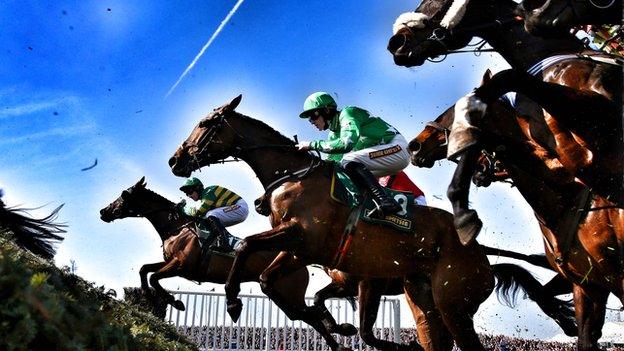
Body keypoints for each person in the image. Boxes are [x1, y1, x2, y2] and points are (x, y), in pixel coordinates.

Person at [296, 92, 410, 215]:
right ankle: (366, 208)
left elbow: (346, 143)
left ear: (326, 110)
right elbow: (330, 164)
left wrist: (312, 145)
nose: (311, 121)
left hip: (398, 148)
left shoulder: (348, 113)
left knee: (348, 160)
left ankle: (386, 202)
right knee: (340, 172)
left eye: (312, 116)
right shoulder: (334, 134)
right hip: (386, 156)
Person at [178, 177, 248, 252]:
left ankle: (227, 240)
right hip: (235, 209)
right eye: (186, 194)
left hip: (240, 207)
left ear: (198, 188)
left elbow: (198, 211)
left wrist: (183, 208)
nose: (189, 196)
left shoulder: (209, 191)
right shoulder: (204, 197)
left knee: (210, 214)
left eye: (189, 192)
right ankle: (219, 241)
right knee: (205, 220)